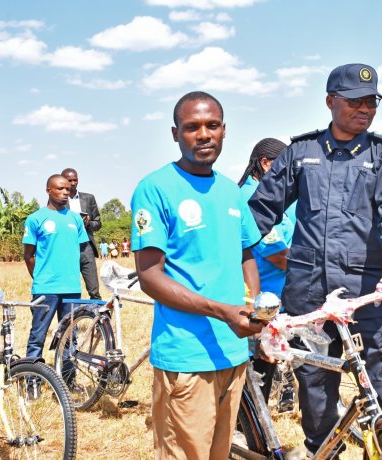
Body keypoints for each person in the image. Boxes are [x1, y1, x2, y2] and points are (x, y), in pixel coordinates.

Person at [248, 63, 382, 455]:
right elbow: (260, 211)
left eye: (371, 101)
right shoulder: (301, 154)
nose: (365, 108)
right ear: (330, 101)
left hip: (367, 292)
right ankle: (323, 450)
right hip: (308, 293)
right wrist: (223, 254)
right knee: (315, 386)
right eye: (355, 101)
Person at [131, 91, 263, 460]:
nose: (204, 134)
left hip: (233, 354)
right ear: (176, 134)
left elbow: (246, 254)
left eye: (212, 125)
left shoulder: (231, 192)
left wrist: (256, 306)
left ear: (224, 131)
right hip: (186, 357)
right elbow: (150, 277)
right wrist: (223, 311)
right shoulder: (155, 188)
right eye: (192, 127)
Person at [238, 137, 296, 412]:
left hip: (275, 296)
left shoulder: (271, 194)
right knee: (256, 375)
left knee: (267, 366)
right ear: (265, 164)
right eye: (283, 167)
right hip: (259, 299)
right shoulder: (252, 198)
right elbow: (276, 255)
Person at [22, 174, 89, 395]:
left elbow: (82, 252)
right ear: (48, 190)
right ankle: (32, 382)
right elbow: (28, 255)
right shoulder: (36, 219)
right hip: (46, 290)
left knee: (69, 337)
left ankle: (68, 381)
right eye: (60, 188)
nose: (65, 192)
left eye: (67, 189)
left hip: (71, 289)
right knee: (37, 336)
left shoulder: (75, 219)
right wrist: (41, 279)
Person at [61, 168, 102, 299]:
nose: (73, 183)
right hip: (67, 248)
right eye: (70, 180)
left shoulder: (89, 198)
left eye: (75, 180)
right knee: (69, 289)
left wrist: (88, 223)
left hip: (86, 247)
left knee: (94, 290)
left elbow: (98, 223)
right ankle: (71, 311)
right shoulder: (58, 201)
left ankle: (98, 311)